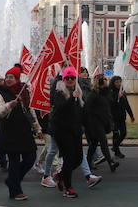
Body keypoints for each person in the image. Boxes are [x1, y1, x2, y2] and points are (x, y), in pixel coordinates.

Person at [0, 66, 38, 201]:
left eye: (11, 77)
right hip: (9, 132)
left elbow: (30, 110)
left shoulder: (24, 91)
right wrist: (9, 105)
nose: (8, 79)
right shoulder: (1, 93)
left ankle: (12, 181)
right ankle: (15, 191)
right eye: (7, 77)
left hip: (24, 131)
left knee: (30, 158)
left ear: (17, 79)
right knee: (14, 162)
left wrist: (37, 127)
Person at [49, 68, 86, 197]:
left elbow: (81, 112)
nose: (70, 80)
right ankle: (68, 188)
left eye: (72, 78)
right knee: (69, 158)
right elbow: (60, 108)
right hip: (62, 130)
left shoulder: (78, 92)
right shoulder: (59, 91)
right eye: (67, 78)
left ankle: (60, 176)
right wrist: (72, 98)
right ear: (63, 79)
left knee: (79, 158)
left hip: (75, 130)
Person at [84, 73, 118, 172]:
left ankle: (88, 162)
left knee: (94, 144)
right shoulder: (93, 94)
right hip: (94, 123)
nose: (105, 80)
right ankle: (111, 162)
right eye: (103, 79)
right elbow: (87, 109)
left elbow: (111, 103)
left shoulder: (106, 93)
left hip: (103, 121)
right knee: (103, 142)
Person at [108, 75, 134, 161]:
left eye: (120, 82)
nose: (119, 84)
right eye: (117, 82)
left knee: (123, 133)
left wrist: (131, 115)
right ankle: (117, 151)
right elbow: (110, 103)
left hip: (122, 116)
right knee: (116, 134)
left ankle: (115, 146)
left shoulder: (122, 91)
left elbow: (126, 104)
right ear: (113, 83)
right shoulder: (110, 91)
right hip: (113, 117)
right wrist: (117, 98)